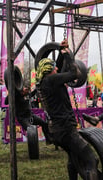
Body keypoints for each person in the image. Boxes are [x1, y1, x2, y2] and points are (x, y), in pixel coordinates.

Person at [36, 39, 99, 179]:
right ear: (49, 70)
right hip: (66, 130)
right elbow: (74, 73)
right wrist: (68, 55)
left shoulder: (44, 82)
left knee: (74, 159)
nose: (57, 69)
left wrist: (61, 50)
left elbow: (57, 66)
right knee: (91, 160)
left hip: (57, 131)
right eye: (54, 68)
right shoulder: (52, 80)